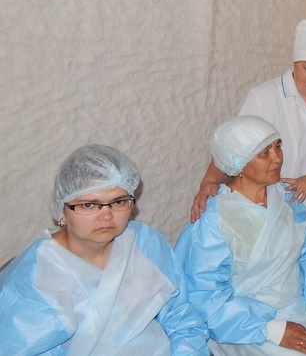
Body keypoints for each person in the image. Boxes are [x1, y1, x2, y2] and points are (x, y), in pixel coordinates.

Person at [175, 115, 306, 356]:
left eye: (278, 146)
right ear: (238, 162)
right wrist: (273, 330)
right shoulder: (213, 219)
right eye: (265, 153)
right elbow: (206, 297)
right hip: (244, 324)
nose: (277, 158)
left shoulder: (284, 197)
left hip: (301, 306)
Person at [0, 144, 209, 355]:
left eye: (118, 201)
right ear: (61, 209)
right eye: (89, 205)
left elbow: (181, 317)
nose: (107, 216)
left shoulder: (145, 243)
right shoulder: (36, 280)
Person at [191, 19, 306, 273]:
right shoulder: (264, 97)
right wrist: (208, 181)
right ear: (295, 62)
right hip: (275, 208)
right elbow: (236, 147)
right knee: (281, 280)